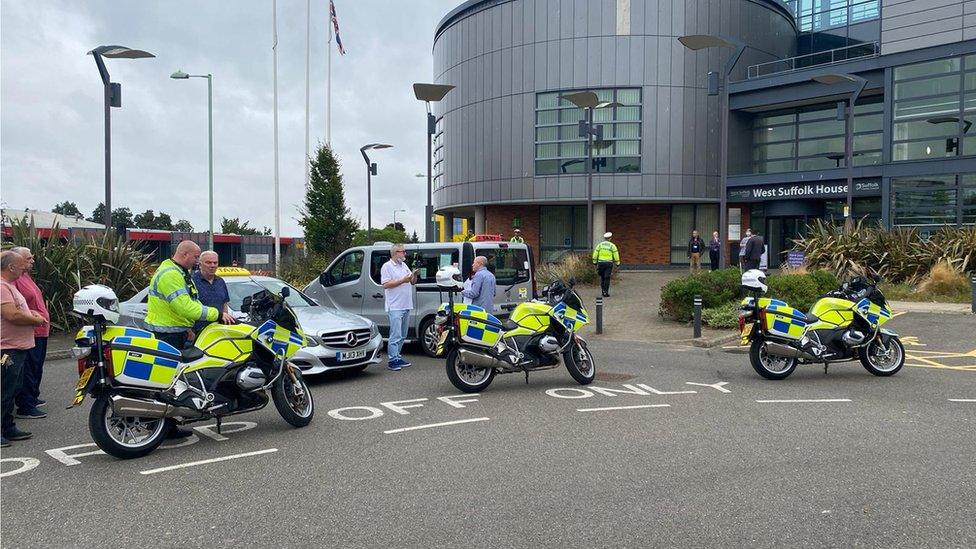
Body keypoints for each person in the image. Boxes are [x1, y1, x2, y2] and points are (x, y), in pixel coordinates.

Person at [1, 251, 45, 447]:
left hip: (17, 347)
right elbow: (12, 315)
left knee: (13, 389)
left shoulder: (9, 286)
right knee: (4, 390)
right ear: (10, 267)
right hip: (7, 349)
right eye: (21, 265)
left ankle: (8, 427)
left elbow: (19, 310)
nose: (23, 269)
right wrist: (34, 319)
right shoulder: (2, 287)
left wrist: (30, 312)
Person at [145, 240, 220, 351]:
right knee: (170, 368)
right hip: (166, 336)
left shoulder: (180, 272)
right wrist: (218, 314)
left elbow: (193, 301)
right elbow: (185, 307)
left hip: (175, 333)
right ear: (185, 255)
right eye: (196, 257)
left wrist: (188, 328)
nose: (197, 261)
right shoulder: (171, 274)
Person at [11, 247, 50, 420]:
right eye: (28, 258)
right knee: (28, 368)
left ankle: (32, 397)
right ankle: (25, 405)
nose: (32, 261)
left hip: (41, 329)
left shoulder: (26, 277)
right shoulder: (14, 280)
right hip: (31, 330)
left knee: (36, 366)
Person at [380, 243, 417, 371]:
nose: (405, 254)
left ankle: (397, 356)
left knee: (403, 334)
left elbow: (411, 282)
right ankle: (392, 360)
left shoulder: (404, 265)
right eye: (403, 252)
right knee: (395, 334)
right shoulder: (387, 266)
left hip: (406, 304)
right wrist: (403, 280)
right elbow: (385, 284)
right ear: (395, 253)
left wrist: (414, 275)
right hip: (395, 305)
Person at [192, 250, 236, 334]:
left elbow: (224, 305)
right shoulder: (192, 282)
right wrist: (189, 332)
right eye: (208, 262)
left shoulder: (220, 282)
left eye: (215, 263)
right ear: (200, 265)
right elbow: (185, 309)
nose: (212, 266)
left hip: (218, 332)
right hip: (198, 334)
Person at [592, 232, 620, 298]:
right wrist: (617, 263)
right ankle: (606, 292)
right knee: (607, 277)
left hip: (601, 263)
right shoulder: (612, 246)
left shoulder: (600, 245)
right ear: (610, 238)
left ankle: (603, 291)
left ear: (604, 238)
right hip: (608, 263)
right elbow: (616, 255)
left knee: (602, 277)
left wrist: (594, 262)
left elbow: (595, 254)